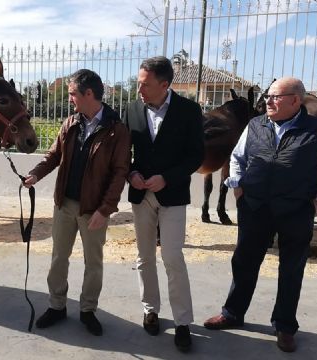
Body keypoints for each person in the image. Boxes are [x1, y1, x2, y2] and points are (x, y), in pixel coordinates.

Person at [203, 77, 317, 353]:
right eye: (268, 96)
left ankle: (284, 326)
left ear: (295, 101)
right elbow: (237, 157)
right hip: (255, 208)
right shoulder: (255, 125)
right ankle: (232, 312)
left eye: (275, 97)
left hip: (296, 210)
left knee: (291, 269)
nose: (267, 101)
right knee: (244, 262)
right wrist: (237, 187)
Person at [23, 69, 130, 336]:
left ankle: (88, 310)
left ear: (89, 94)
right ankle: (57, 306)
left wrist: (105, 211)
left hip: (93, 210)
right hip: (64, 205)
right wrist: (35, 174)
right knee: (59, 257)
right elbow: (53, 156)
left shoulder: (117, 131)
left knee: (93, 262)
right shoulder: (70, 123)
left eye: (72, 93)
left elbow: (120, 174)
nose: (70, 98)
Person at [123, 56, 204, 352]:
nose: (138, 90)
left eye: (144, 84)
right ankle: (151, 310)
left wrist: (166, 178)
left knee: (172, 258)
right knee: (144, 257)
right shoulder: (132, 110)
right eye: (138, 83)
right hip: (141, 196)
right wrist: (131, 173)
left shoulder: (189, 111)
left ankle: (183, 322)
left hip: (173, 195)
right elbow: (123, 152)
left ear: (164, 84)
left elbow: (196, 156)